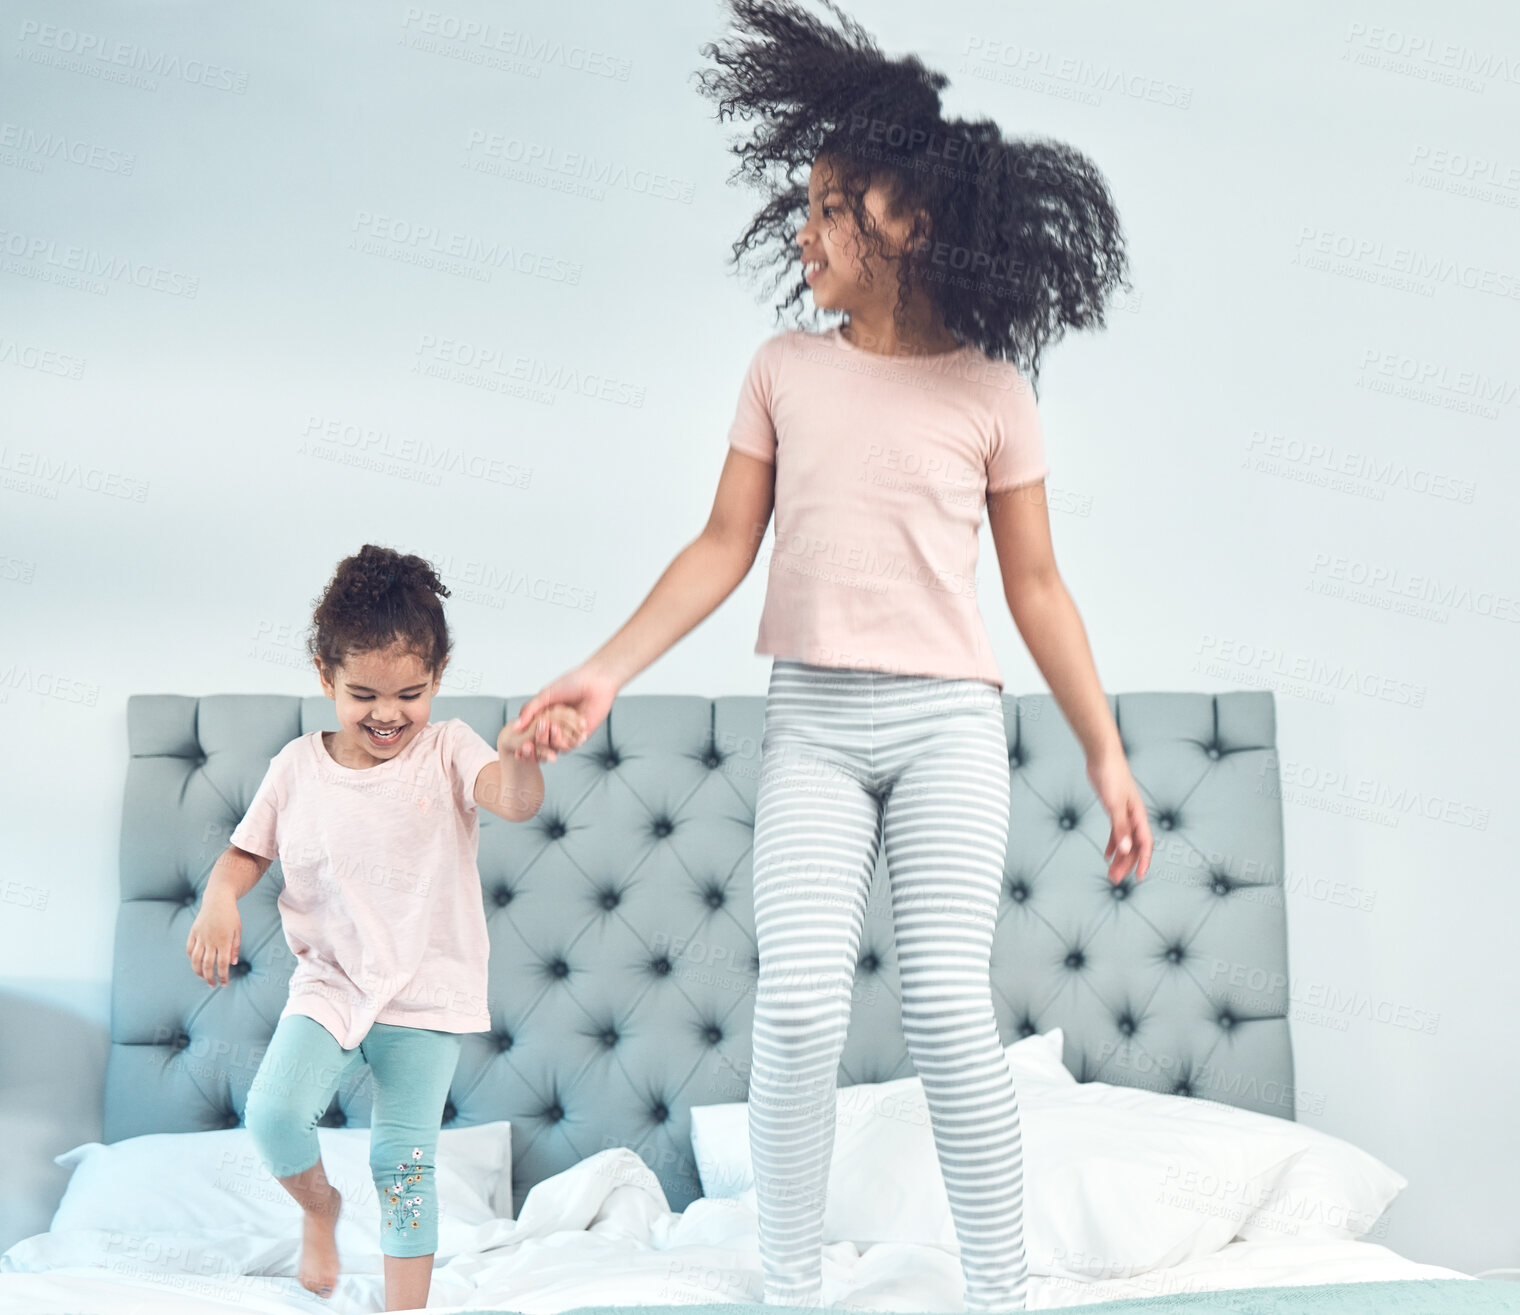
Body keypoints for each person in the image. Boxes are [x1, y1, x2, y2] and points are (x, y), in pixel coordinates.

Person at [509, 2, 1153, 1308]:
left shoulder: (993, 392)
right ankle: (790, 1285)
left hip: (948, 729)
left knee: (948, 1015)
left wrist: (1106, 751)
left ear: (905, 218)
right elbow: (718, 544)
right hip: (811, 716)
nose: (800, 231)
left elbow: (1036, 585)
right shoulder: (782, 368)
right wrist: (605, 666)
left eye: (827, 206)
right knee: (798, 1012)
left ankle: (997, 1288)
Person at [184, 543, 584, 1312]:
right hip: (331, 981)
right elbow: (244, 853)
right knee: (272, 1114)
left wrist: (519, 755)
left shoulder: (448, 748)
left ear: (437, 678)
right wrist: (218, 898)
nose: (388, 714)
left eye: (410, 693)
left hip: (425, 991)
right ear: (324, 677)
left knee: (402, 1163)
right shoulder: (296, 768)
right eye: (363, 692)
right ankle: (318, 1209)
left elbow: (513, 799)